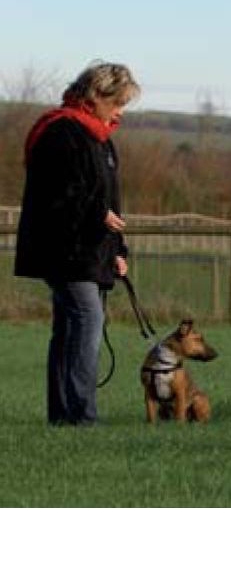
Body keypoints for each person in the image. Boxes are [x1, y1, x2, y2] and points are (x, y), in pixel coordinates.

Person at [15, 62, 141, 425]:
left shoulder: (101, 139)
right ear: (96, 96)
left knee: (70, 328)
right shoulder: (61, 132)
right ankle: (81, 416)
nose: (120, 112)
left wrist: (118, 250)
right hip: (63, 249)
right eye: (117, 103)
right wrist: (97, 215)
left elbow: (109, 201)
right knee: (87, 319)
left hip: (90, 251)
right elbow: (56, 194)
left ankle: (63, 416)